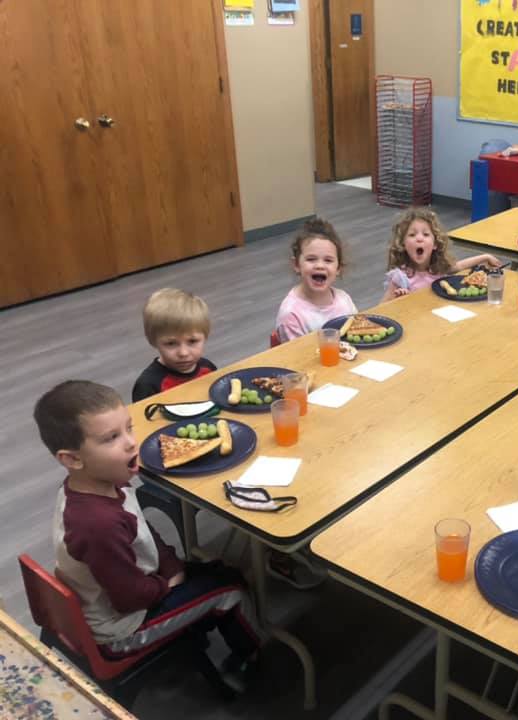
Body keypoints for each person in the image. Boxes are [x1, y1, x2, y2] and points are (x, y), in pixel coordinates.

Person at [34, 381, 260, 690]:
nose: (131, 443)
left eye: (129, 428)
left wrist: (172, 566)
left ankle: (199, 621)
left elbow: (142, 530)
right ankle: (253, 659)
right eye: (111, 438)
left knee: (214, 571)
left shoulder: (99, 482)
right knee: (230, 587)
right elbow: (129, 599)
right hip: (122, 630)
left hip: (128, 590)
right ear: (72, 459)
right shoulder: (98, 524)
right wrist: (168, 583)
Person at [381, 207, 500, 302]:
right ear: (403, 244)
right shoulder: (401, 277)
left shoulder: (438, 268)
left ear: (435, 244)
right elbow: (382, 309)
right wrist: (398, 301)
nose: (419, 239)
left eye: (426, 234)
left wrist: (485, 257)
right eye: (412, 235)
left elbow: (459, 266)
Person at [276, 217, 357, 343]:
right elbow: (298, 358)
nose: (320, 265)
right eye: (311, 259)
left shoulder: (344, 300)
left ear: (338, 268)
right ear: (297, 264)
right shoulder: (291, 314)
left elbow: (357, 336)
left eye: (328, 260)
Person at [132, 289, 217, 402]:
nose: (183, 353)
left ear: (205, 337)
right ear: (152, 341)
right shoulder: (147, 385)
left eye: (192, 341)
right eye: (171, 343)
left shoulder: (208, 368)